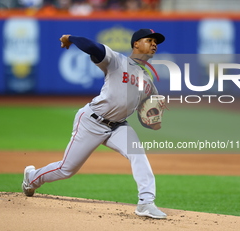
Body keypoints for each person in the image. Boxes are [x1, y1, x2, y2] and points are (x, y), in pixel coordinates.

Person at [22, 28, 167, 219]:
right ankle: (32, 178)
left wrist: (154, 120)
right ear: (136, 44)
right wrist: (70, 38)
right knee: (67, 169)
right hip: (92, 121)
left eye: (156, 42)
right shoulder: (117, 61)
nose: (154, 44)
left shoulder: (148, 80)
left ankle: (146, 203)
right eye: (150, 40)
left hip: (118, 126)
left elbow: (149, 112)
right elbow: (92, 47)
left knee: (138, 155)